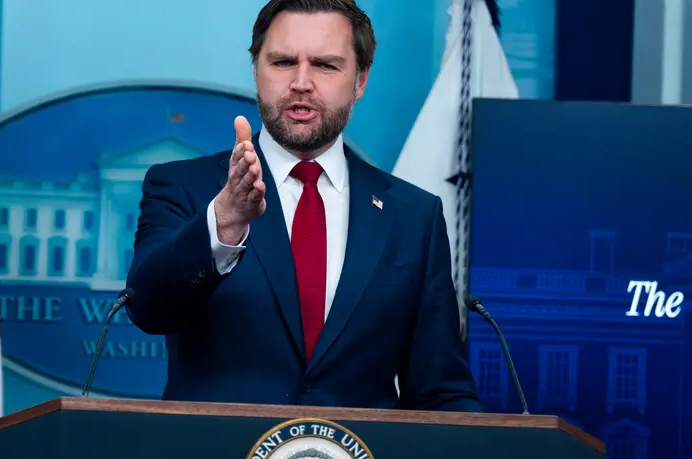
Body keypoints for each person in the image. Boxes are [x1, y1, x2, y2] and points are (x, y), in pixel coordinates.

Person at [125, 0, 482, 412]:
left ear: (360, 81)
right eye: (282, 62)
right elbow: (147, 308)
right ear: (256, 72)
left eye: (326, 65)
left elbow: (441, 391)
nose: (301, 82)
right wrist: (225, 221)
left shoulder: (413, 215)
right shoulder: (183, 187)